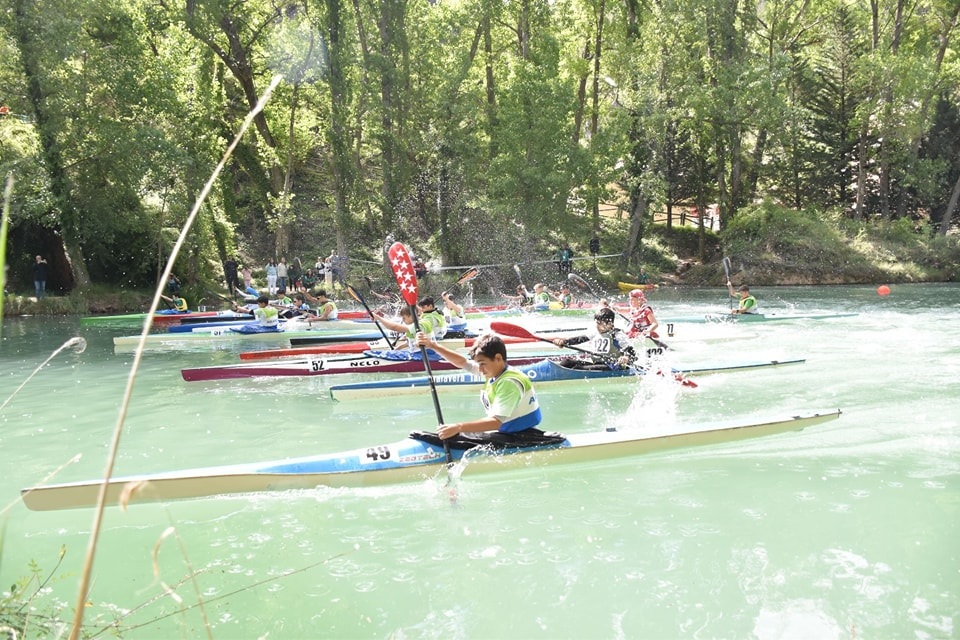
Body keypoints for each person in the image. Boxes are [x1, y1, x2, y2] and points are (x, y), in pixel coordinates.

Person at [414, 332, 543, 439]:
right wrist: (433, 346)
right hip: (506, 430)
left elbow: (495, 423)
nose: (480, 370)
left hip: (517, 435)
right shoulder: (495, 371)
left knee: (456, 433)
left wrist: (458, 427)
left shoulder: (509, 383)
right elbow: (463, 362)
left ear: (498, 358)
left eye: (482, 363)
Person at [551, 307, 635, 370]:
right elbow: (580, 339)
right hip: (597, 364)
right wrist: (564, 342)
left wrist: (626, 358)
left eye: (600, 323)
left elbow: (632, 353)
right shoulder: (595, 332)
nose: (597, 326)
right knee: (566, 362)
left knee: (579, 368)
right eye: (597, 323)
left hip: (612, 366)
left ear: (610, 324)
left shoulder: (618, 335)